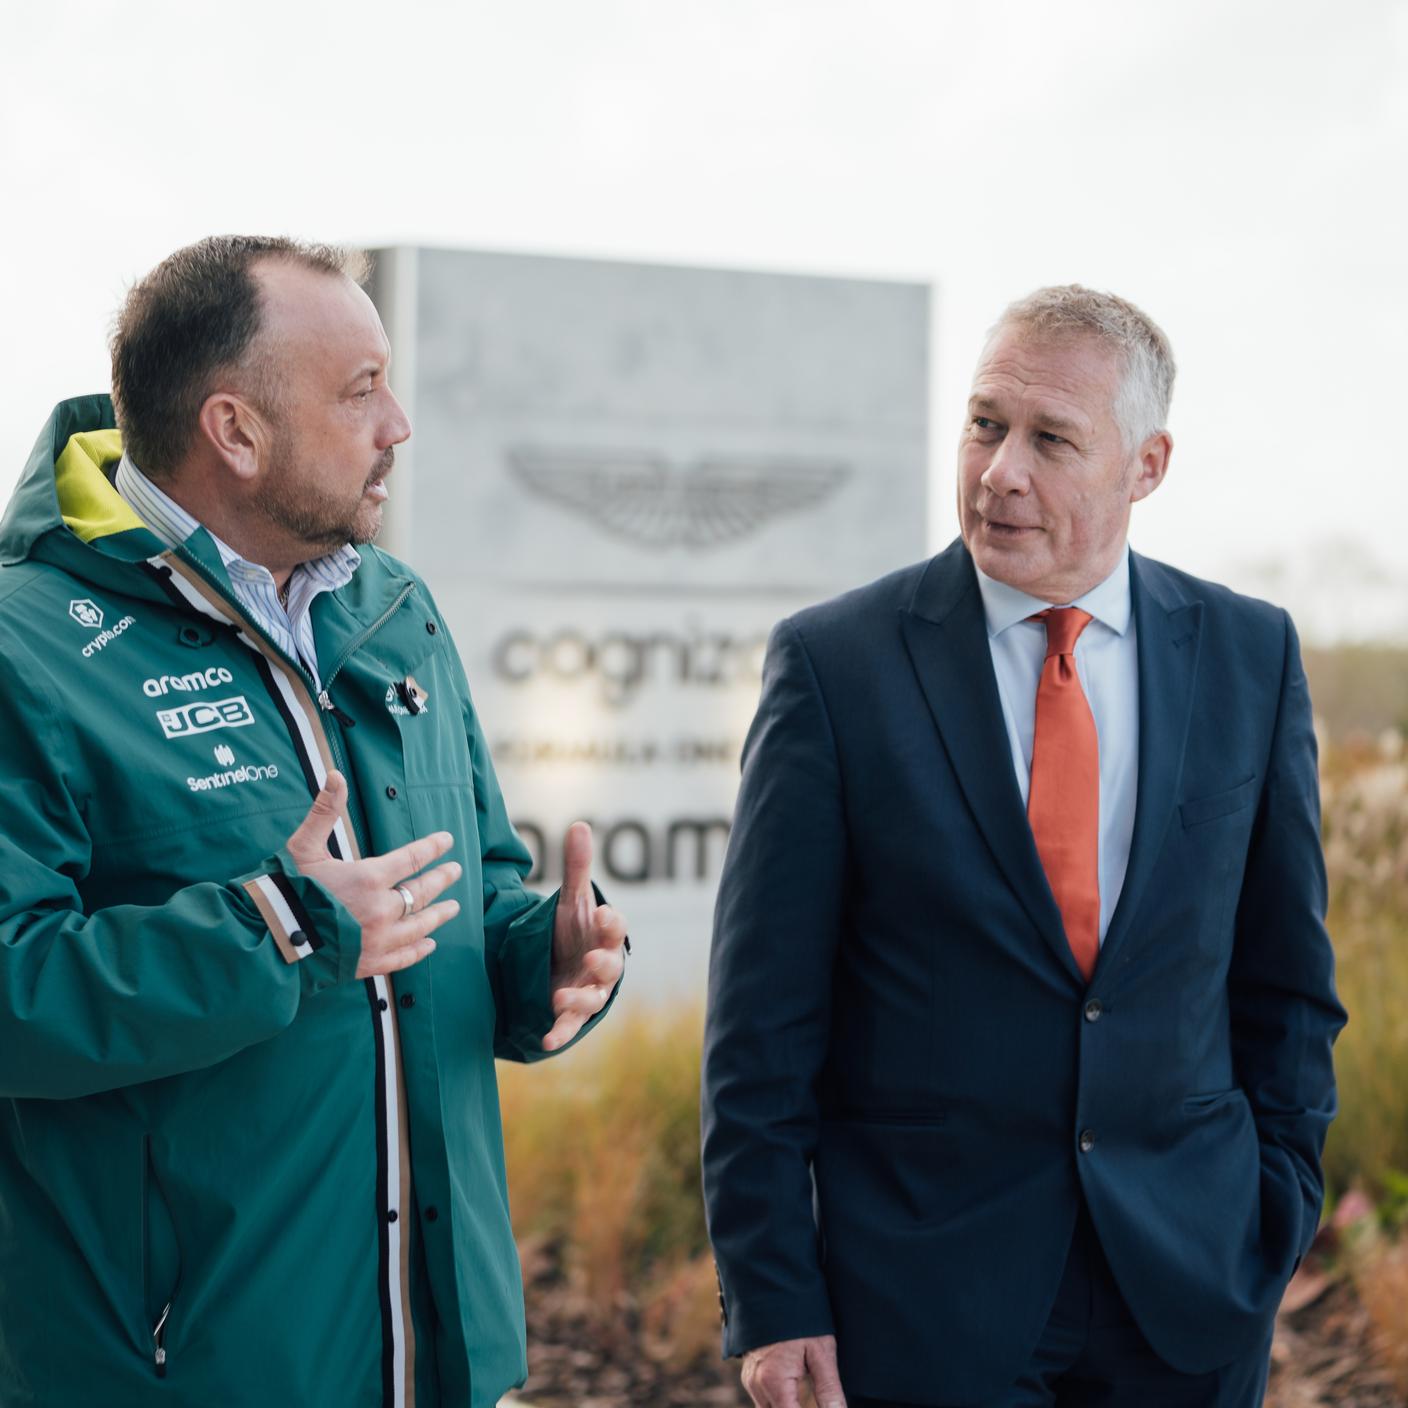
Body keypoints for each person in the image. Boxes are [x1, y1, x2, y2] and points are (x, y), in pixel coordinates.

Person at [0, 235, 628, 1408]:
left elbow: (464, 895)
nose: (398, 422)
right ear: (235, 432)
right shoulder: (22, 645)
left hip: (437, 1360)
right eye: (360, 390)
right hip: (184, 1371)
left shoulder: (395, 607)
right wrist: (271, 927)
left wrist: (536, 958)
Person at [701, 285, 1345, 1408]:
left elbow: (1284, 982)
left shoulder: (1250, 655)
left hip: (1189, 1295)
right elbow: (761, 1023)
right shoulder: (836, 665)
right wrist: (773, 1294)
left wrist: (1273, 1211)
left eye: (1050, 439)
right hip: (919, 1301)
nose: (1000, 469)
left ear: (1146, 466)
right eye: (985, 421)